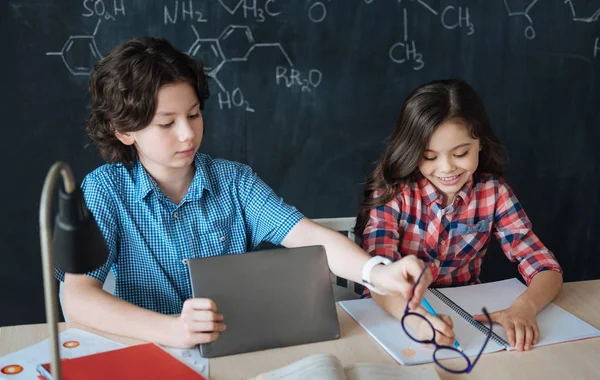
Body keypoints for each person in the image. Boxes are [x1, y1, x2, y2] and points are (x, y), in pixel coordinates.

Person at [58, 37, 431, 349]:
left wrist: (377, 272)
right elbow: (77, 298)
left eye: (194, 115)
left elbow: (307, 235)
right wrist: (171, 329)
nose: (187, 134)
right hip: (151, 352)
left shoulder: (234, 181)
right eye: (167, 123)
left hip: (238, 348)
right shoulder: (105, 189)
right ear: (124, 131)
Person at [355, 79, 562, 352]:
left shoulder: (494, 192)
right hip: (394, 315)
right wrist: (419, 321)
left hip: (467, 315)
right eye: (428, 156)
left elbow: (545, 267)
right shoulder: (394, 193)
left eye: (461, 153)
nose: (446, 168)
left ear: (480, 145)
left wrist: (525, 307)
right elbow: (378, 277)